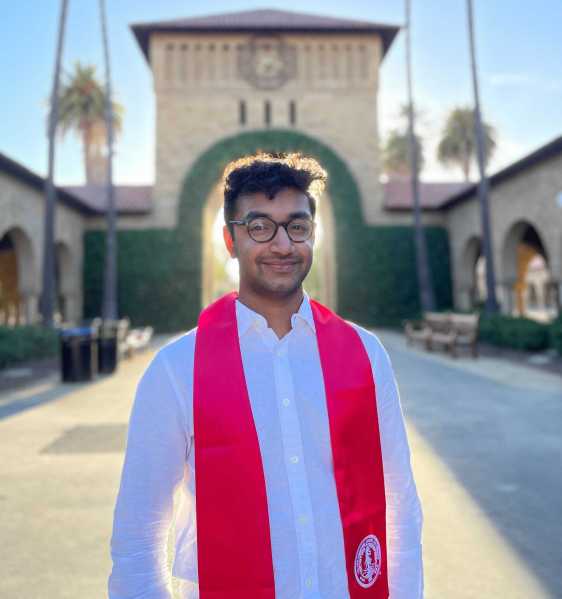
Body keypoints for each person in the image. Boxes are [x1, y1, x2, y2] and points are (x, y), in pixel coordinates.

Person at [108, 153, 423, 599]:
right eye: (259, 227)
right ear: (230, 240)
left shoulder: (365, 353)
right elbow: (139, 533)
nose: (281, 245)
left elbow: (400, 506)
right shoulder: (178, 368)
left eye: (297, 227)